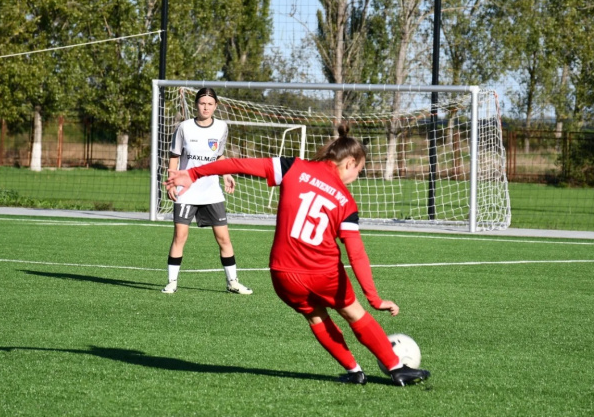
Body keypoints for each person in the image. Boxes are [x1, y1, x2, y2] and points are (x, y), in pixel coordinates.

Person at [165, 122, 431, 387]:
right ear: (350, 162)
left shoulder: (292, 167)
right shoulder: (345, 201)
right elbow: (357, 254)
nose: (356, 177)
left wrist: (194, 173)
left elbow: (238, 164)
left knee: (316, 317)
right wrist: (374, 298)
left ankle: (354, 370)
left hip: (283, 275)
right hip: (324, 273)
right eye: (359, 171)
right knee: (355, 314)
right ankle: (397, 368)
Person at [162, 87, 253, 295]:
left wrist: (227, 173)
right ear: (196, 105)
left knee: (224, 239)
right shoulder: (184, 127)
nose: (206, 107)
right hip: (187, 190)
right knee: (180, 236)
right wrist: (171, 181)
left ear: (215, 106)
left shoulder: (221, 127)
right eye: (202, 103)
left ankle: (233, 282)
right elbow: (174, 156)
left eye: (210, 104)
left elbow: (219, 156)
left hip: (211, 191)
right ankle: (171, 282)